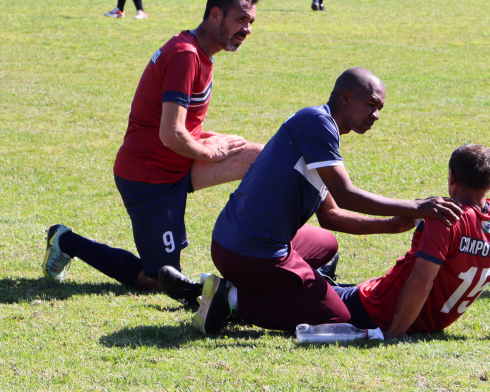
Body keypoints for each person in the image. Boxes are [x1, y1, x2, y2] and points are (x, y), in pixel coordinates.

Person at [189, 68, 465, 334]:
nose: (376, 115)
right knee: (338, 318)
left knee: (326, 244)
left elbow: (331, 216)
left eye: (380, 107)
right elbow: (345, 195)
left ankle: (231, 287)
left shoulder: (319, 128)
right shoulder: (317, 123)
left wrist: (392, 226)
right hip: (249, 252)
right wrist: (417, 207)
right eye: (371, 104)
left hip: (235, 242)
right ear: (346, 97)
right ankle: (232, 300)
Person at [43, 0, 266, 307]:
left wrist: (211, 138)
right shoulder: (185, 56)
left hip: (175, 165)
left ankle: (261, 252)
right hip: (148, 178)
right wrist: (208, 149)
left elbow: (178, 127)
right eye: (241, 19)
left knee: (261, 159)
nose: (247, 29)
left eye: (251, 22)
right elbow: (170, 134)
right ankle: (67, 242)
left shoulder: (202, 53)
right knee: (158, 279)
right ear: (216, 15)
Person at [334, 144, 490, 339]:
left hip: (375, 308)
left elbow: (421, 282)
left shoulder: (444, 216)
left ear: (451, 176)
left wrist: (393, 334)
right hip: (431, 318)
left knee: (306, 291)